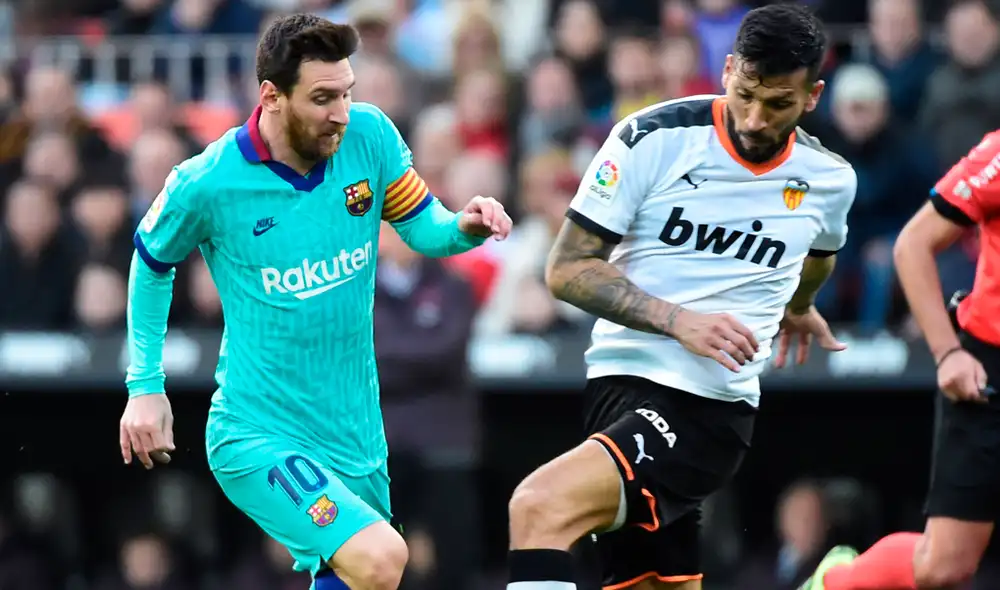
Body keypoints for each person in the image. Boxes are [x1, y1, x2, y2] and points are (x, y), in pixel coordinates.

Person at [118, 14, 511, 590]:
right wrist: (145, 386)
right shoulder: (207, 180)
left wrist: (465, 226)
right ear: (272, 96)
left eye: (348, 93)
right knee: (382, 557)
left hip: (356, 432)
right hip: (259, 431)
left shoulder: (370, 138)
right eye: (324, 98)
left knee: (356, 576)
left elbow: (424, 225)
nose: (342, 113)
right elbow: (150, 263)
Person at [504, 5, 856, 590]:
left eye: (778, 104)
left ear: (813, 95)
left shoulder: (829, 178)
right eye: (745, 93)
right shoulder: (652, 138)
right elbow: (567, 270)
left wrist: (798, 307)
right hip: (613, 389)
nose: (754, 117)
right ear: (726, 70)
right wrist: (677, 320)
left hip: (706, 407)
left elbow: (820, 255)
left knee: (538, 507)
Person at [797, 133, 1000, 588]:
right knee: (943, 566)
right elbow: (912, 245)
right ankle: (835, 581)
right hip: (987, 371)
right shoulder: (999, 155)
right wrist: (948, 353)